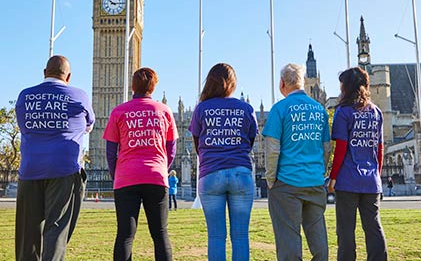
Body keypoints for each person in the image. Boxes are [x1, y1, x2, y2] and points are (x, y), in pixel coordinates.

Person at [15, 55, 95, 261]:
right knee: (56, 231)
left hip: (30, 169)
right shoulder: (80, 96)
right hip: (65, 170)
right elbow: (88, 126)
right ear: (68, 76)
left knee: (27, 235)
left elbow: (23, 126)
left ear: (44, 72)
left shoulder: (25, 96)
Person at [103, 67, 177, 261]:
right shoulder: (164, 111)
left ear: (132, 86)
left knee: (125, 235)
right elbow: (172, 149)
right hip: (156, 177)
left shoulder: (119, 111)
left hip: (126, 178)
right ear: (153, 87)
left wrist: (117, 174)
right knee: (160, 234)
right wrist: (161, 168)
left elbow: (110, 151)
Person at [189, 63, 258, 261]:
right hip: (241, 173)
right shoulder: (246, 108)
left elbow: (197, 144)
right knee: (241, 236)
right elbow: (250, 141)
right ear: (233, 83)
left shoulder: (201, 108)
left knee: (216, 236)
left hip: (210, 174)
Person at [263, 63, 331, 261]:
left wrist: (270, 179)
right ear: (303, 83)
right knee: (319, 238)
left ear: (282, 83)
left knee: (288, 240)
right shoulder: (319, 110)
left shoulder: (279, 109)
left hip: (286, 183)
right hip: (315, 182)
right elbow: (326, 148)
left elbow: (273, 149)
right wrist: (319, 172)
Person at [328, 67, 387, 261]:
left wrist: (333, 177)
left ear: (347, 87)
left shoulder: (343, 112)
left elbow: (341, 149)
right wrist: (377, 174)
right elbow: (379, 148)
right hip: (371, 179)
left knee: (346, 231)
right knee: (374, 228)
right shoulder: (376, 112)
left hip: (347, 179)